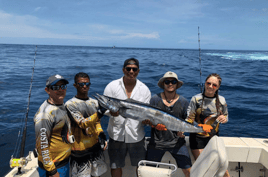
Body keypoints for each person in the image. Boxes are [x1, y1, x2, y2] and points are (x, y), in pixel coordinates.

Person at [103, 58, 151, 177]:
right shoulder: (112, 86)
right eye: (128, 69)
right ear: (123, 70)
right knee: (115, 165)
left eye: (134, 69)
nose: (131, 71)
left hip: (136, 135)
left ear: (138, 71)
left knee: (140, 166)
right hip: (116, 135)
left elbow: (146, 114)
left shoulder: (144, 89)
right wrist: (111, 113)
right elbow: (104, 107)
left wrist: (147, 121)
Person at [145, 71, 192, 177]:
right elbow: (148, 120)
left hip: (177, 144)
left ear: (177, 84)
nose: (170, 84)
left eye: (173, 81)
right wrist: (154, 125)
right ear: (163, 84)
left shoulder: (184, 102)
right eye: (167, 81)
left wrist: (183, 132)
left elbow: (188, 121)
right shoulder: (154, 100)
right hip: (156, 144)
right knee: (148, 172)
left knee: (189, 171)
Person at [186, 73, 230, 177]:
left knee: (223, 169)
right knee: (204, 168)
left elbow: (226, 116)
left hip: (214, 138)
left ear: (218, 87)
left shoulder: (222, 100)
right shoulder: (195, 99)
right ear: (205, 83)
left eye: (214, 85)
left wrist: (224, 119)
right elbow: (189, 120)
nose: (210, 86)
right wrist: (201, 126)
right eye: (208, 83)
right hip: (197, 139)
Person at [65, 72, 108, 177]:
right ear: (75, 85)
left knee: (96, 175)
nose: (84, 86)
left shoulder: (94, 102)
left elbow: (96, 122)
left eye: (87, 84)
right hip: (79, 151)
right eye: (81, 84)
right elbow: (82, 123)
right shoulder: (70, 104)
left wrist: (101, 133)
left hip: (95, 147)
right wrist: (100, 112)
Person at [34, 74, 73, 177]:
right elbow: (42, 146)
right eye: (56, 87)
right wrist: (52, 171)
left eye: (63, 86)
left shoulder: (60, 105)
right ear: (47, 90)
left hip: (64, 163)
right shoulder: (45, 115)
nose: (61, 90)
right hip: (55, 167)